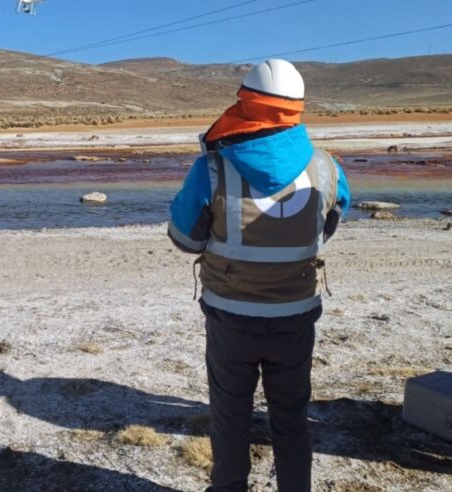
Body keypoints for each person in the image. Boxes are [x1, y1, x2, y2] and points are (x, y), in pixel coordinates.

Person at [168, 59, 351, 491]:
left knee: (230, 416)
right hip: (296, 314)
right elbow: (329, 223)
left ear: (245, 103)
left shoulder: (213, 168)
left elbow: (184, 237)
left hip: (230, 316)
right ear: (297, 108)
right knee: (291, 415)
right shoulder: (326, 167)